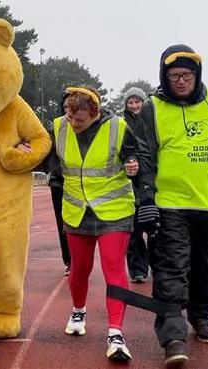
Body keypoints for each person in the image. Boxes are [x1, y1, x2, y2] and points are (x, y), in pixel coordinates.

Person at [135, 45, 208, 368]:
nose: (181, 81)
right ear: (164, 76)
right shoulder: (152, 108)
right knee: (171, 267)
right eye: (174, 76)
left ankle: (202, 315)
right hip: (170, 204)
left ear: (197, 75)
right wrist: (145, 198)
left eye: (187, 75)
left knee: (204, 265)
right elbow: (144, 157)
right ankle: (173, 337)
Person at [46, 86, 150, 361]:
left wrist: (133, 164)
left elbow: (136, 155)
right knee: (79, 269)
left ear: (95, 113)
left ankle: (116, 333)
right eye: (69, 116)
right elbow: (46, 157)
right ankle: (78, 311)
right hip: (76, 210)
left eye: (79, 119)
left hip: (113, 211)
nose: (73, 123)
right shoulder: (58, 127)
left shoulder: (118, 127)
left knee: (113, 268)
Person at [40, 90, 72, 276]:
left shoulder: (87, 128)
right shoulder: (57, 128)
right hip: (59, 184)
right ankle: (69, 261)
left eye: (72, 106)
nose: (69, 110)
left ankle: (82, 261)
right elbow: (44, 152)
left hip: (80, 184)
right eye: (66, 106)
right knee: (63, 225)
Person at [121, 87, 150, 283]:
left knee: (156, 227)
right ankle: (138, 269)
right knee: (133, 230)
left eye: (137, 101)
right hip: (130, 180)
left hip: (151, 178)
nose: (134, 105)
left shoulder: (152, 121)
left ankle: (160, 265)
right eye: (130, 102)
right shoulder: (121, 125)